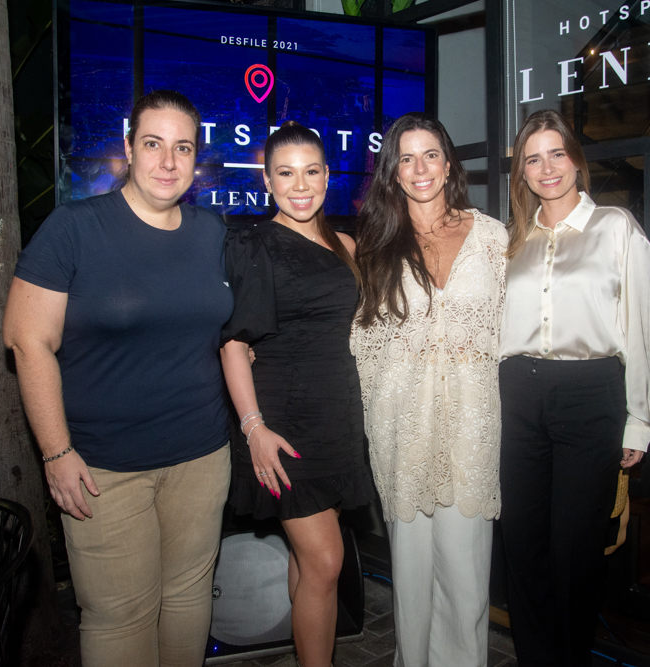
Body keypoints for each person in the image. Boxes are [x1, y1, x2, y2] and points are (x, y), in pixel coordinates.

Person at [3, 90, 232, 667]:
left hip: (202, 456)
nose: (168, 162)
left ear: (195, 158)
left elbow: (225, 326)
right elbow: (27, 341)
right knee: (119, 617)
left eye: (183, 148)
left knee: (186, 601)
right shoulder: (75, 228)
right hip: (104, 469)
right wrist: (55, 453)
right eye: (153, 144)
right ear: (129, 149)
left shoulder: (213, 232)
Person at [498, 109, 650, 666]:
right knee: (521, 544)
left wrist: (640, 416)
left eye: (556, 154)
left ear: (576, 160)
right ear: (521, 170)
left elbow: (640, 328)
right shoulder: (512, 238)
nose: (546, 168)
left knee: (574, 551)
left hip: (590, 395)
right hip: (517, 394)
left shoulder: (615, 227)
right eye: (533, 158)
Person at [351, 112, 506, 667]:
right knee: (412, 574)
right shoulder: (374, 245)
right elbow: (356, 339)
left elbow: (516, 325)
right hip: (403, 429)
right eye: (407, 158)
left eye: (431, 155)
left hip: (472, 424)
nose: (420, 169)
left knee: (466, 574)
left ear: (448, 165)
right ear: (393, 172)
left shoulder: (491, 237)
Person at [220, 121, 376, 667]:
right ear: (267, 180)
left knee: (309, 561)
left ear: (328, 176)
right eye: (286, 173)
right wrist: (254, 428)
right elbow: (234, 344)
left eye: (311, 171)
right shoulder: (254, 244)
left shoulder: (346, 244)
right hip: (283, 423)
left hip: (337, 418)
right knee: (327, 560)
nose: (300, 184)